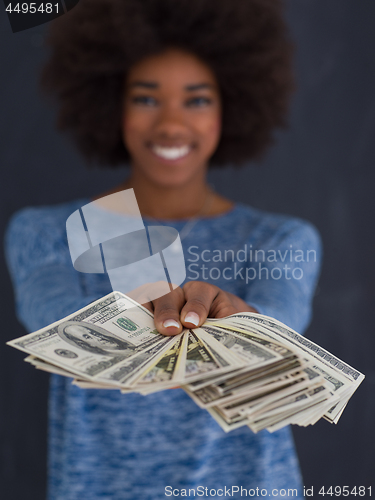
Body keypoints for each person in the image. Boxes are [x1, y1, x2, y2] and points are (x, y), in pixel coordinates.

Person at [5, 0, 322, 498]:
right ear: (112, 104)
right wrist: (130, 321)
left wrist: (246, 323)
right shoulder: (47, 231)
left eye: (196, 100)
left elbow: (280, 319)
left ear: (232, 106)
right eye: (147, 99)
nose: (171, 125)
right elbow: (53, 318)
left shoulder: (280, 239)